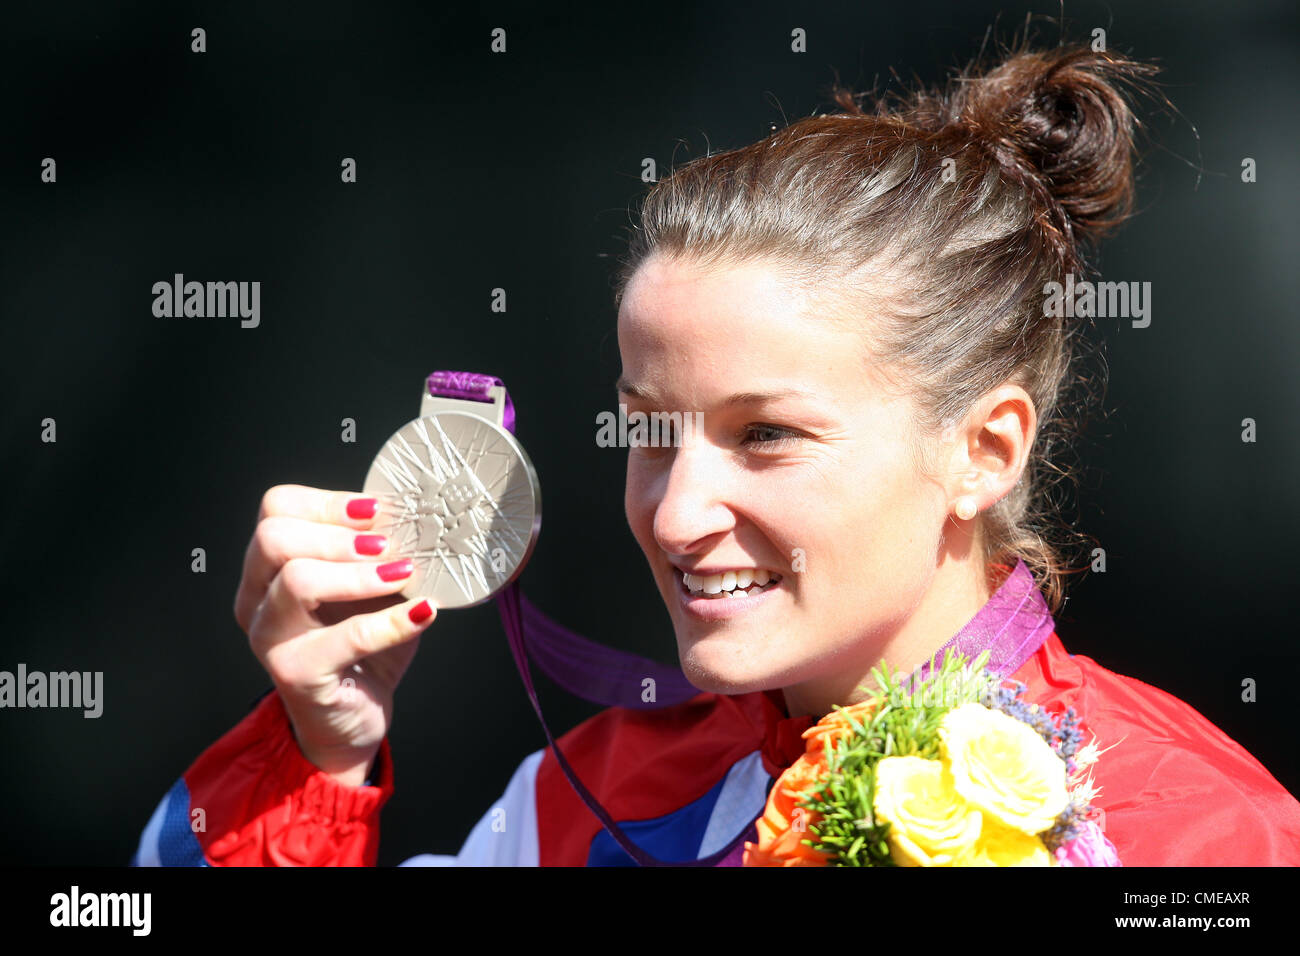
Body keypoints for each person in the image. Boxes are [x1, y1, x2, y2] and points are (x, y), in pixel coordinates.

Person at [131, 40, 1300, 867]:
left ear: (982, 450)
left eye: (766, 435)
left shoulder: (1199, 837)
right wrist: (318, 760)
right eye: (649, 429)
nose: (675, 512)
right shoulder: (577, 807)